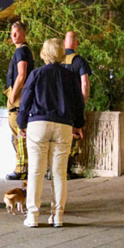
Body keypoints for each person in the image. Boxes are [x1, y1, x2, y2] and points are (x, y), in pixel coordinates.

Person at [17, 38, 85, 228]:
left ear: (44, 54)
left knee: (35, 172)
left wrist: (21, 123)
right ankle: (57, 216)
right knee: (59, 173)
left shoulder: (36, 74)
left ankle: (32, 216)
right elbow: (78, 103)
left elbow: (25, 101)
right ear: (62, 54)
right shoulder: (70, 76)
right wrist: (78, 125)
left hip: (38, 124)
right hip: (63, 126)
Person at [5, 21, 34, 181]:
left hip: (18, 96)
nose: (14, 36)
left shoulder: (21, 51)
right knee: (18, 133)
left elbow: (21, 75)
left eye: (17, 33)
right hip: (23, 95)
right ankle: (23, 166)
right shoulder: (25, 50)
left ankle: (22, 168)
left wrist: (13, 94)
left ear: (23, 33)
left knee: (19, 133)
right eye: (12, 33)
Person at [60, 31, 91, 180]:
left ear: (64, 42)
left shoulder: (57, 59)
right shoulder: (80, 61)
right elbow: (85, 84)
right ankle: (66, 170)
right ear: (77, 43)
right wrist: (82, 102)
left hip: (57, 106)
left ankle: (51, 170)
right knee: (72, 137)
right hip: (73, 106)